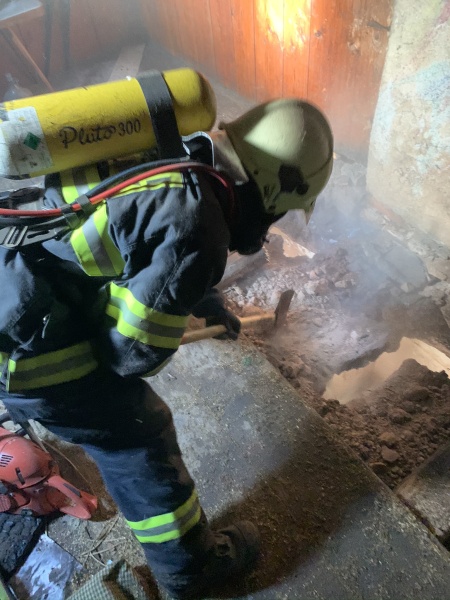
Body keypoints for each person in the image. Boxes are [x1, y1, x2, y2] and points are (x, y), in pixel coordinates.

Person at [0, 98, 333, 599]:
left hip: (15, 264)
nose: (271, 225)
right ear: (273, 190)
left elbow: (144, 231)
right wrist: (173, 313)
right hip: (23, 343)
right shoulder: (201, 227)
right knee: (137, 434)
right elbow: (130, 356)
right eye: (280, 212)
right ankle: (190, 572)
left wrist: (201, 295)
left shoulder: (175, 151)